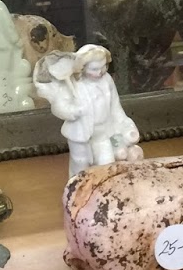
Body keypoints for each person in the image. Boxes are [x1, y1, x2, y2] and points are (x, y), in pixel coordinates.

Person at [33, 44, 142, 178]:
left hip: (103, 133)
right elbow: (58, 106)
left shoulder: (107, 80)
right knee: (80, 164)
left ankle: (102, 186)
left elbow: (115, 106)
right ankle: (77, 186)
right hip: (80, 134)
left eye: (104, 67)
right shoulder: (74, 83)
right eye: (94, 69)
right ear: (82, 68)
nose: (100, 72)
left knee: (107, 162)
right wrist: (73, 111)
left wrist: (124, 124)